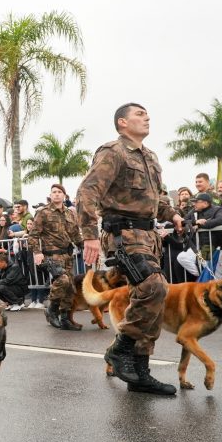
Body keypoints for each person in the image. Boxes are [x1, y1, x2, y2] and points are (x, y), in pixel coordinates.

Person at [75, 102, 183, 396]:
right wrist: (89, 235)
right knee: (153, 287)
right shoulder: (113, 152)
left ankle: (140, 372)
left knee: (151, 299)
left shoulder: (151, 157)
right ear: (122, 122)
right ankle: (120, 348)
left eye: (147, 114)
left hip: (148, 236)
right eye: (139, 114)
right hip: (123, 234)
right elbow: (87, 191)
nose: (147, 117)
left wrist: (173, 214)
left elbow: (157, 199)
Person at [29, 184, 83, 330]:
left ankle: (65, 318)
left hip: (67, 255)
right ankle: (52, 310)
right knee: (63, 280)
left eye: (59, 192)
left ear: (64, 195)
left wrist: (84, 246)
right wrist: (37, 252)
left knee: (70, 288)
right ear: (50, 195)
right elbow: (33, 235)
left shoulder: (70, 213)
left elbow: (75, 234)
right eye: (54, 192)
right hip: (51, 256)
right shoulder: (43, 212)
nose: (57, 194)